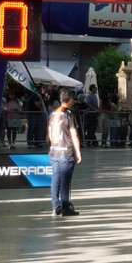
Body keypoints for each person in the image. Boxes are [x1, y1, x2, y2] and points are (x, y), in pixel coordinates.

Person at [47, 88, 82, 216]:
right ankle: (66, 207)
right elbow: (74, 135)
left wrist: (52, 146)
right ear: (70, 100)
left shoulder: (53, 114)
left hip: (54, 151)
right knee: (65, 181)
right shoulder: (69, 114)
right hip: (66, 152)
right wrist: (78, 152)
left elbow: (49, 133)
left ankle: (56, 206)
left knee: (55, 179)